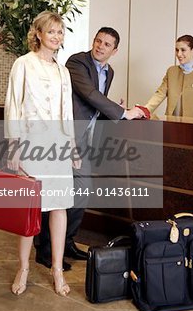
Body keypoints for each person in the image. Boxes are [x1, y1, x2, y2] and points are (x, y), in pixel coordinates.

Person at [35, 26, 145, 267]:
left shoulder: (110, 71)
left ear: (114, 50)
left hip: (84, 141)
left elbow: (95, 106)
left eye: (107, 44)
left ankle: (66, 242)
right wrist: (122, 113)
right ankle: (44, 250)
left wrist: (115, 110)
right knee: (56, 195)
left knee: (81, 192)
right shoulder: (77, 62)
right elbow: (90, 94)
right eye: (98, 41)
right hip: (64, 137)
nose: (100, 46)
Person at [5, 11, 80, 297]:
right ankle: (23, 267)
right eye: (52, 32)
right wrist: (13, 146)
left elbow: (67, 112)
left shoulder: (63, 71)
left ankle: (57, 269)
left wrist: (72, 146)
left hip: (58, 145)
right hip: (30, 143)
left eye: (60, 32)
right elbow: (13, 105)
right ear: (38, 33)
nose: (57, 37)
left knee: (60, 207)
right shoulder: (23, 64)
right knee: (30, 207)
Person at [145, 35, 193, 119]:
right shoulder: (171, 71)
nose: (179, 54)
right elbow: (159, 94)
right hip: (171, 124)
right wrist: (144, 110)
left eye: (183, 50)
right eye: (177, 50)